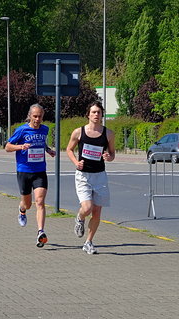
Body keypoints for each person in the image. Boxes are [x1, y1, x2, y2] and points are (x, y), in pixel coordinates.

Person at [66, 101, 115, 255]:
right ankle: (80, 218)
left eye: (99, 112)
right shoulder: (79, 132)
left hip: (100, 176)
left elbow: (112, 154)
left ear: (102, 115)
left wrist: (109, 156)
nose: (96, 115)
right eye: (93, 112)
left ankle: (88, 242)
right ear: (88, 114)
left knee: (97, 212)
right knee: (87, 208)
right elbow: (69, 149)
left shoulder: (108, 134)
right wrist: (76, 162)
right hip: (83, 176)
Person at [5, 104, 56, 248]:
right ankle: (22, 211)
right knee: (27, 204)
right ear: (30, 116)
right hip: (24, 170)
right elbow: (8, 147)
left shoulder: (45, 129)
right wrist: (20, 147)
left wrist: (48, 150)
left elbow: (42, 143)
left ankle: (41, 232)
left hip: (40, 170)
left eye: (40, 116)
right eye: (35, 116)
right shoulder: (21, 130)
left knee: (40, 201)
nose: (37, 119)